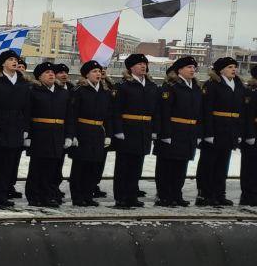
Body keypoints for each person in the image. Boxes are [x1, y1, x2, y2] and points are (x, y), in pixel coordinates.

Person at [110, 52, 158, 209]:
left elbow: (156, 111)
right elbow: (115, 110)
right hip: (128, 130)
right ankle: (121, 197)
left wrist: (154, 130)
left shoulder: (151, 86)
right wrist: (118, 130)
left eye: (145, 64)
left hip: (144, 130)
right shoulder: (123, 86)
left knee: (137, 166)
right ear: (131, 68)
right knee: (123, 166)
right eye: (139, 64)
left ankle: (131, 195)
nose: (143, 66)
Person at [196, 56, 246, 206]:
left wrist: (238, 133)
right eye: (230, 67)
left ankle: (219, 193)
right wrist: (208, 133)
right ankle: (205, 194)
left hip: (230, 130)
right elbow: (206, 110)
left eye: (234, 67)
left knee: (223, 164)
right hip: (215, 129)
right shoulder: (212, 85)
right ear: (221, 70)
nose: (234, 70)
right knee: (208, 164)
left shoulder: (238, 85)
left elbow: (241, 112)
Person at [0, 50, 30, 209]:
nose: (14, 62)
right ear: (3, 63)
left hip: (16, 127)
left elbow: (27, 109)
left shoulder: (23, 83)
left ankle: (3, 195)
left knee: (9, 164)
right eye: (10, 59)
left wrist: (25, 129)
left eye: (16, 59)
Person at [154, 56, 203, 207]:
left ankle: (176, 194)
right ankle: (164, 195)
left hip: (188, 133)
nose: (192, 70)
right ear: (179, 70)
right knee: (166, 166)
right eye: (189, 67)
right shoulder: (171, 87)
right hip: (173, 131)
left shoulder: (195, 88)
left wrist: (198, 133)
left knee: (181, 166)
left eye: (194, 68)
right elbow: (164, 112)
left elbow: (200, 113)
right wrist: (165, 133)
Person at [65, 61, 112, 207]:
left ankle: (88, 195)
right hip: (82, 131)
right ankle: (77, 197)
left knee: (94, 166)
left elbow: (109, 115)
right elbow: (71, 115)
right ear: (86, 75)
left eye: (99, 71)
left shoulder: (105, 92)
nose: (98, 74)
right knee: (80, 166)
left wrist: (108, 134)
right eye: (94, 71)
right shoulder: (79, 91)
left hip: (98, 132)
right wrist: (72, 135)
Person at [24, 62, 68, 207]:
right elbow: (27, 114)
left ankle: (49, 195)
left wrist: (69, 135)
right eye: (47, 72)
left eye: (52, 72)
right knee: (38, 167)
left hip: (57, 134)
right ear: (39, 76)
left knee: (53, 168)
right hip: (39, 134)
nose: (51, 74)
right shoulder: (33, 91)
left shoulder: (62, 92)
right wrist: (27, 135)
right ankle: (34, 195)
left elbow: (70, 116)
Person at [242, 64, 257, 206]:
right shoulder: (251, 92)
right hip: (253, 133)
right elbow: (247, 116)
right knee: (250, 166)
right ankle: (249, 194)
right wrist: (249, 134)